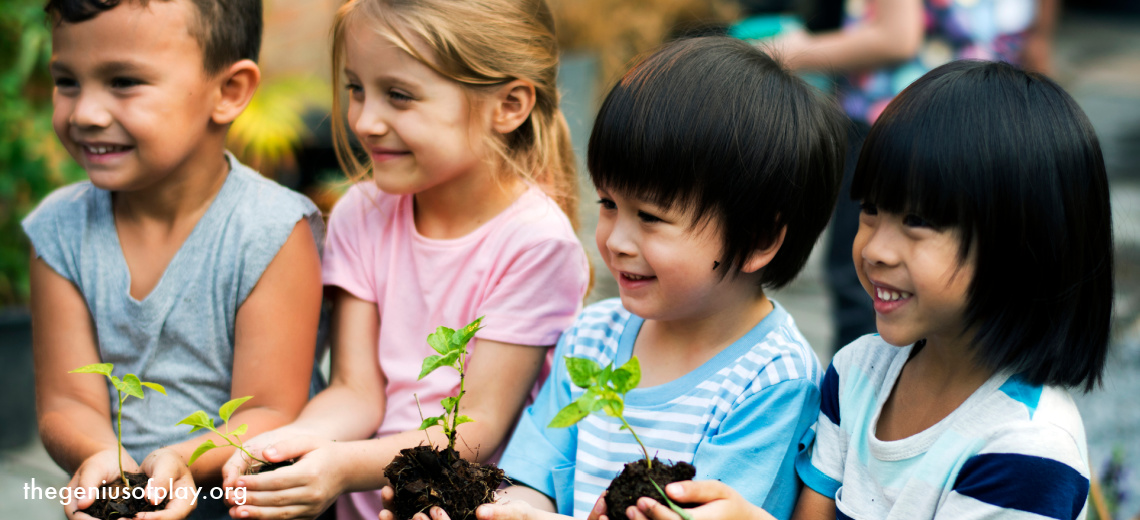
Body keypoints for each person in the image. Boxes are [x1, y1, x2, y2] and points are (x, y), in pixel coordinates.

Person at [621, 60, 1112, 520]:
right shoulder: (859, 374)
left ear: (1023, 245)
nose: (875, 249)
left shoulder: (1024, 448)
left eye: (917, 221)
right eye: (871, 210)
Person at [390, 36, 847, 520]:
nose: (616, 241)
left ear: (757, 239)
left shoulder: (772, 380)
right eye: (608, 204)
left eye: (650, 216)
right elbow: (532, 480)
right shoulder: (592, 338)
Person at [218, 0, 591, 519]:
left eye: (399, 95)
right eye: (355, 89)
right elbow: (356, 391)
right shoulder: (361, 213)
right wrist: (287, 447)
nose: (365, 121)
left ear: (508, 106)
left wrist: (341, 467)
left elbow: (475, 431)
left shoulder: (536, 244)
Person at [24, 1, 324, 519]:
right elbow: (67, 401)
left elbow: (270, 410)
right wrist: (105, 461)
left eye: (123, 82)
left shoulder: (270, 229)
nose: (84, 114)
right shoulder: (60, 230)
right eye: (67, 81)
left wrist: (181, 461)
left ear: (228, 92)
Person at [769, 0, 1052, 353]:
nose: (877, 251)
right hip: (989, 127)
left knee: (862, 290)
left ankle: (867, 398)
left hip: (893, 120)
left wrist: (781, 53)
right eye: (869, 211)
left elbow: (896, 38)